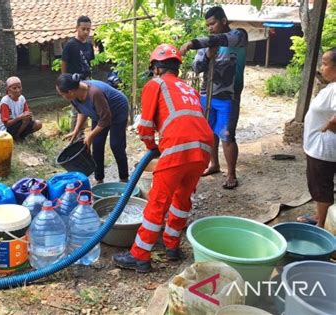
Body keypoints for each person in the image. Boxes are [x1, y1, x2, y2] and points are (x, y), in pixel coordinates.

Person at [112, 44, 214, 273]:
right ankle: (171, 246)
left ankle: (139, 256)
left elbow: (145, 127)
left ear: (157, 69)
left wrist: (152, 148)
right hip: (204, 147)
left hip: (178, 146)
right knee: (182, 198)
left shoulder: (155, 84)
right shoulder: (189, 89)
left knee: (158, 201)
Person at [180, 6, 248, 190]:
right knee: (209, 133)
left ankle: (232, 173)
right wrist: (207, 56)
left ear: (224, 20)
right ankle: (214, 165)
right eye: (207, 25)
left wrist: (194, 43)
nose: (210, 28)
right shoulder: (206, 46)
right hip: (207, 96)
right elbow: (196, 68)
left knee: (227, 135)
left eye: (213, 23)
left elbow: (220, 39)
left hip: (229, 96)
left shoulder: (239, 36)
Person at [56, 73, 129, 184]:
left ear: (70, 91)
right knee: (97, 143)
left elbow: (105, 119)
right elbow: (82, 111)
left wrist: (90, 135)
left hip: (117, 110)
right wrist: (76, 130)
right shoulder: (74, 95)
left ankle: (124, 179)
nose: (62, 97)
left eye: (62, 94)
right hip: (100, 113)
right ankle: (99, 179)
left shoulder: (94, 93)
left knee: (116, 145)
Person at [297, 48, 336, 227]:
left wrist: (331, 124)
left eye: (325, 64)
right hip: (319, 147)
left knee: (321, 186)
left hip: (323, 149)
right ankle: (319, 216)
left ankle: (321, 225)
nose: (322, 67)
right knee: (320, 184)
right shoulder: (332, 86)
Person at [61, 16, 95, 133]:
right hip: (74, 82)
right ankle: (74, 137)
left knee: (89, 107)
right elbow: (64, 63)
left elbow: (89, 62)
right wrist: (64, 82)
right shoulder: (70, 45)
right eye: (83, 29)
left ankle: (84, 135)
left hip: (87, 80)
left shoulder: (89, 44)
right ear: (77, 28)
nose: (86, 32)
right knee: (77, 111)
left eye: (88, 29)